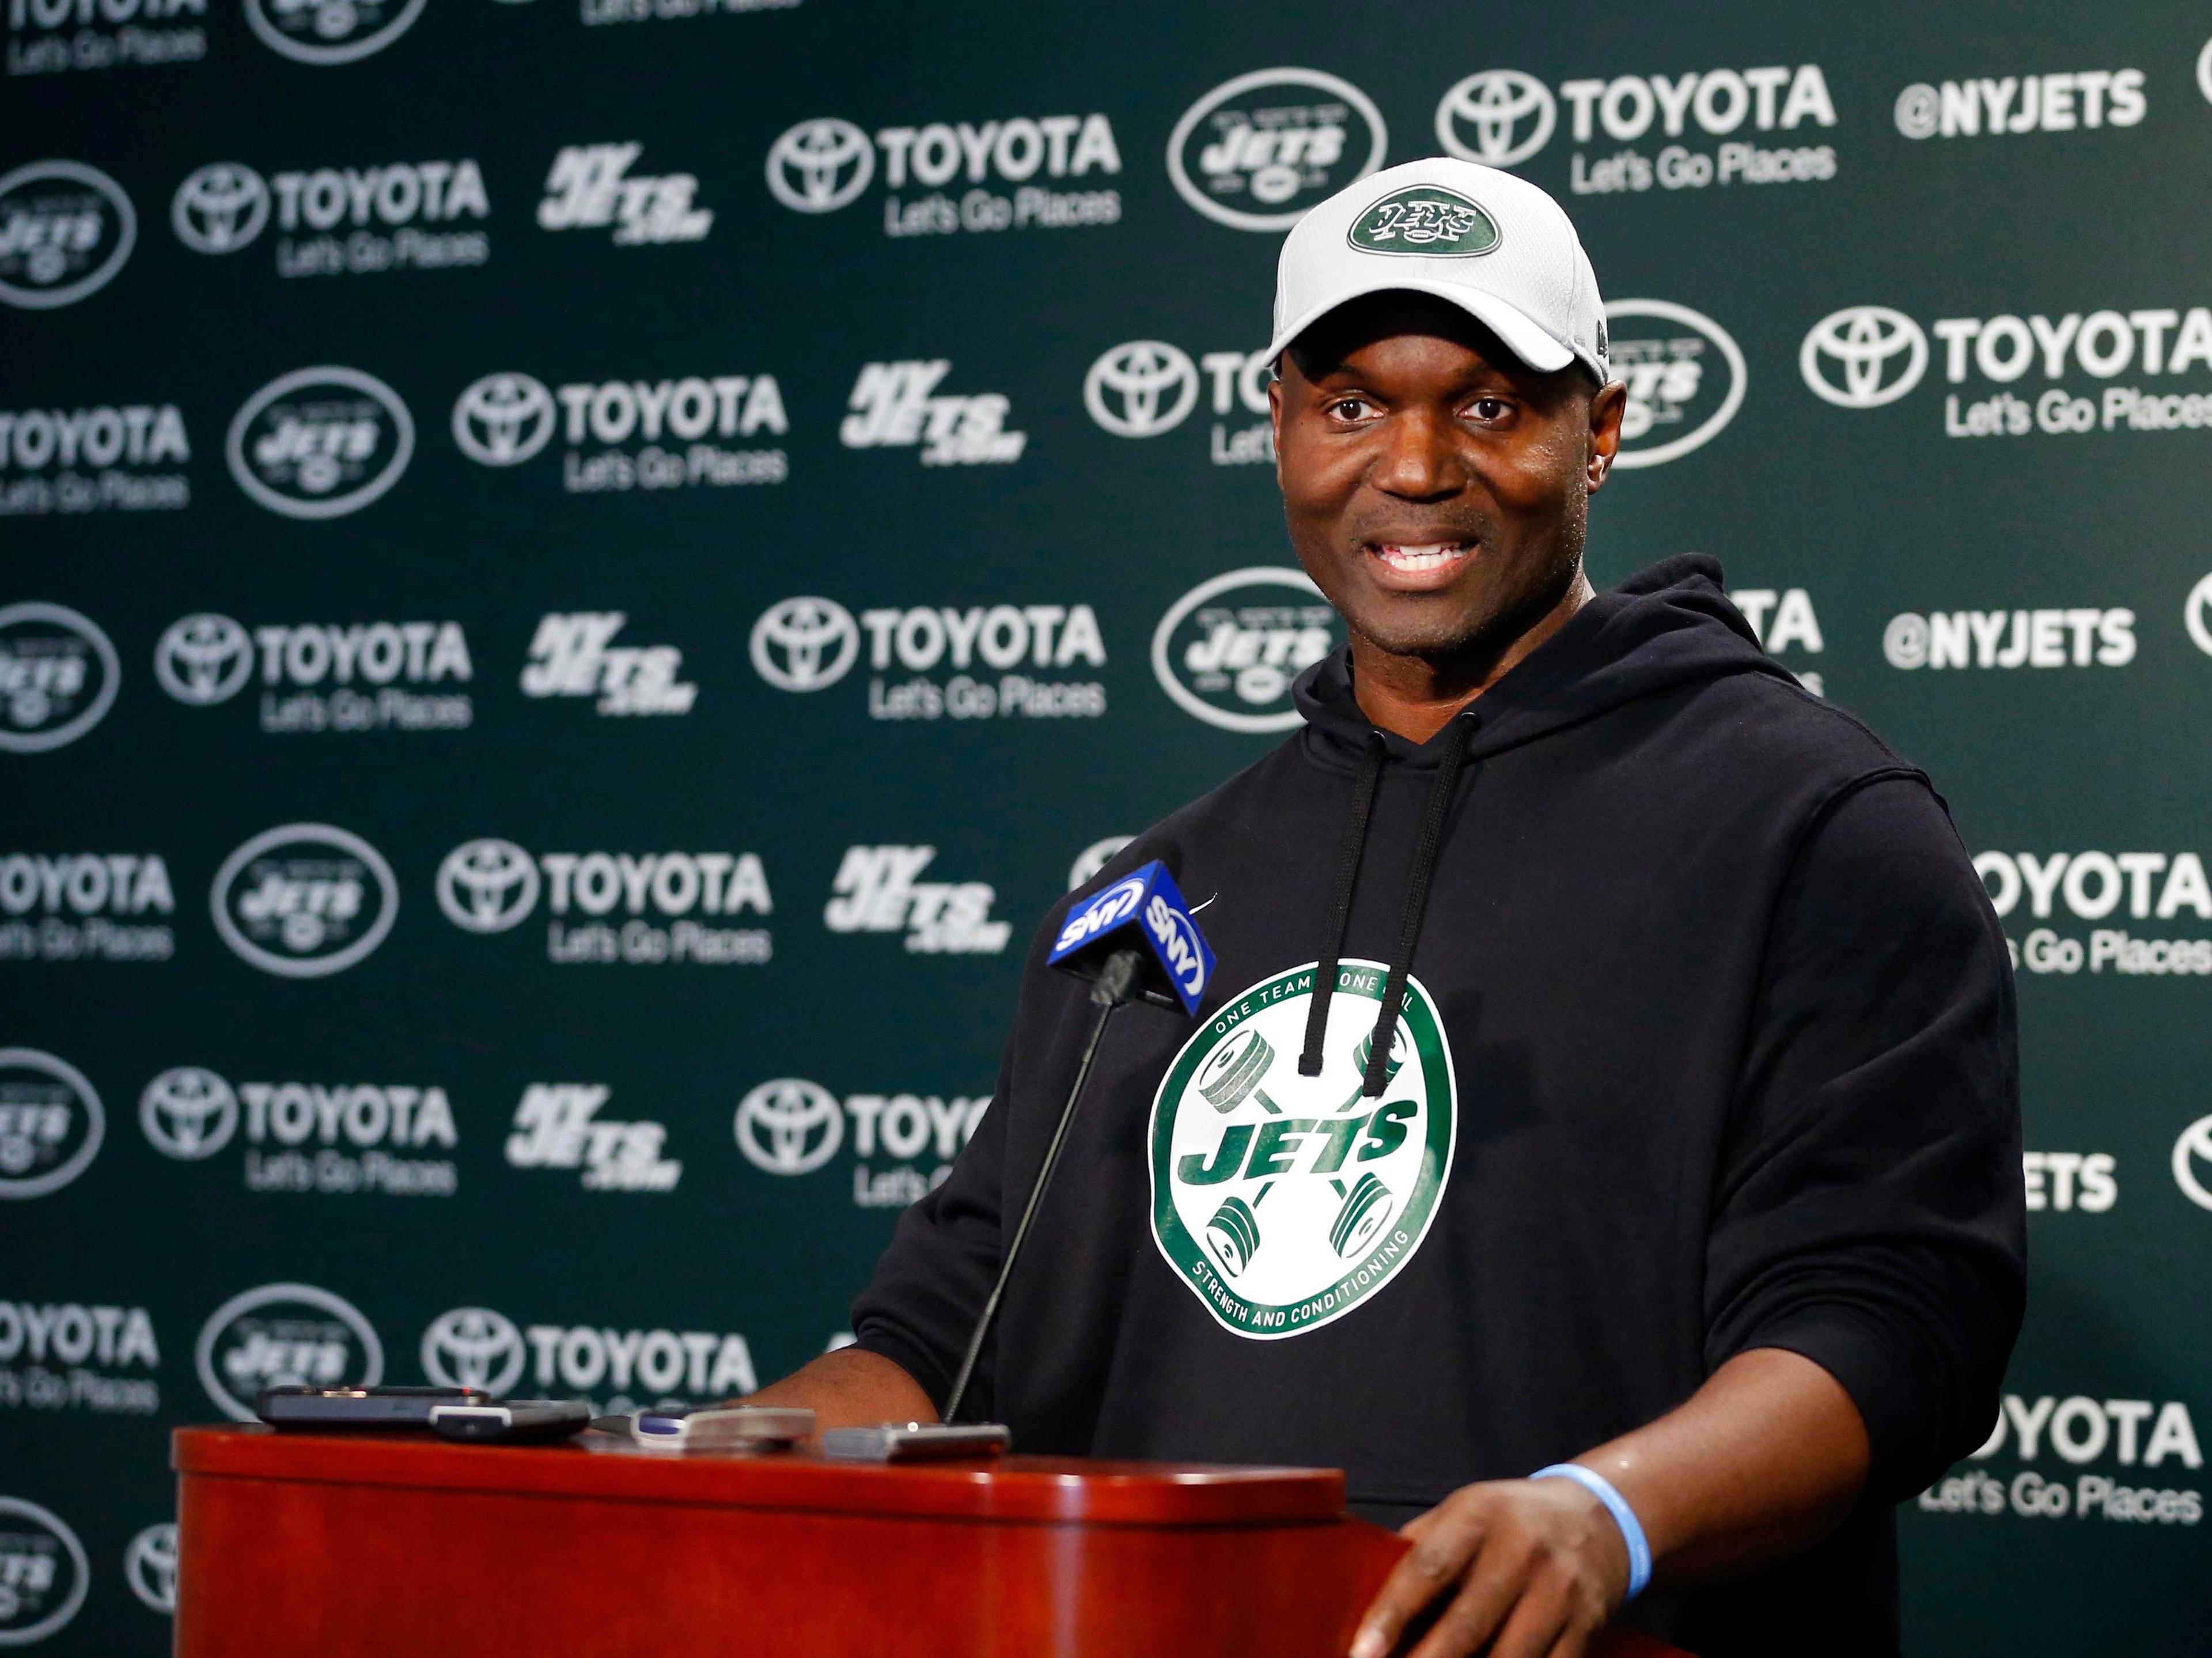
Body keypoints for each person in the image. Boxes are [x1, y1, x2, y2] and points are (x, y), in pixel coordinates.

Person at [748, 157, 2025, 1658]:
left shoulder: (1809, 824)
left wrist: (1599, 1515)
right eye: (1352, 403)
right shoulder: (1154, 896)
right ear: (1279, 423)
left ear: (1598, 428)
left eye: (1488, 403)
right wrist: (710, 1463)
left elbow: (1893, 1324)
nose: (1413, 467)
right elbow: (943, 1331)